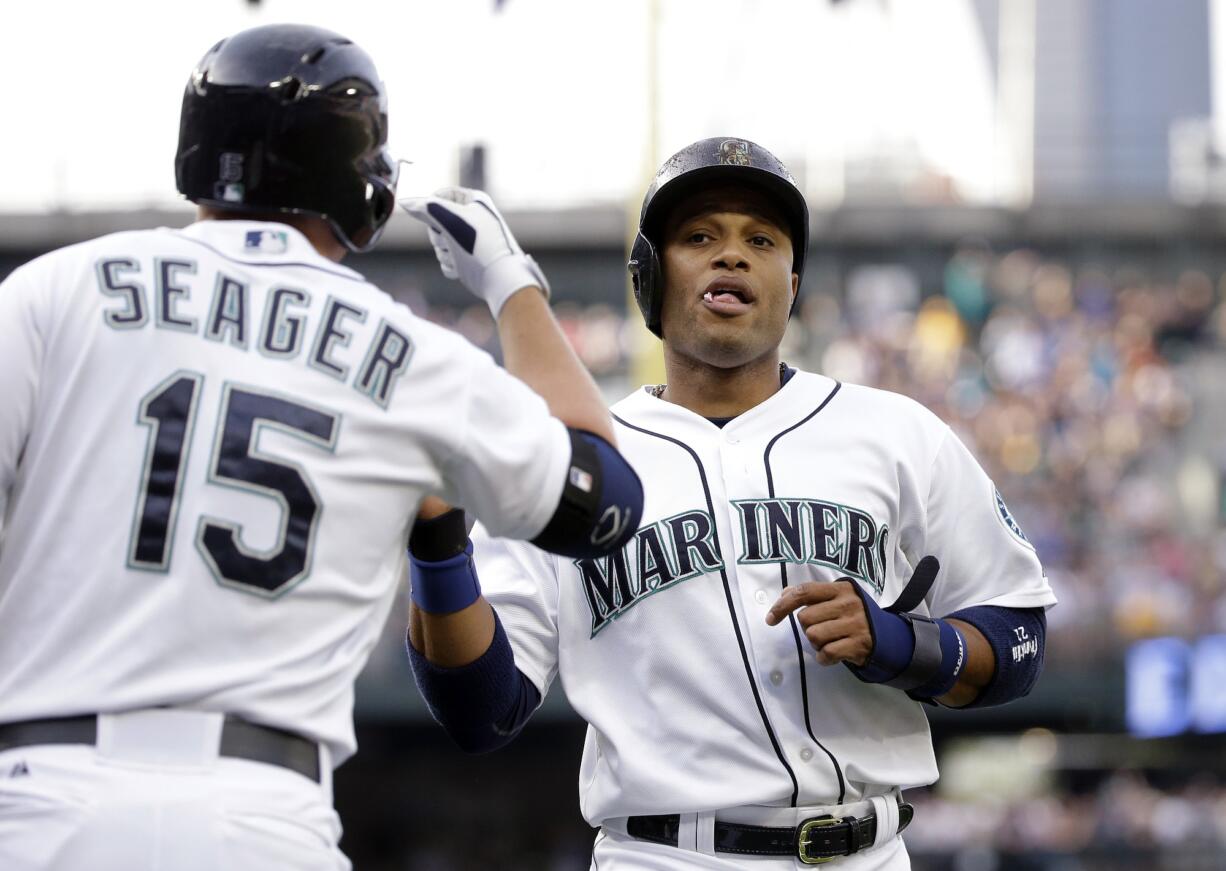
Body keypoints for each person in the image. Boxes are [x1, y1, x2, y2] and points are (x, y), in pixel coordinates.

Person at [0, 23, 641, 871]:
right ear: (363, 184)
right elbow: (605, 502)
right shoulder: (412, 355)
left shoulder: (58, 288)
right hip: (261, 812)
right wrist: (512, 282)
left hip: (46, 795)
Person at [406, 137, 1057, 869]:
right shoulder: (576, 458)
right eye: (699, 237)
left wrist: (901, 643)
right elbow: (481, 706)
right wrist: (437, 544)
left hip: (870, 851)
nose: (732, 255)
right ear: (649, 276)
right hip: (665, 856)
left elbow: (1019, 639)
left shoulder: (896, 430)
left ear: (792, 279)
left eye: (761, 240)